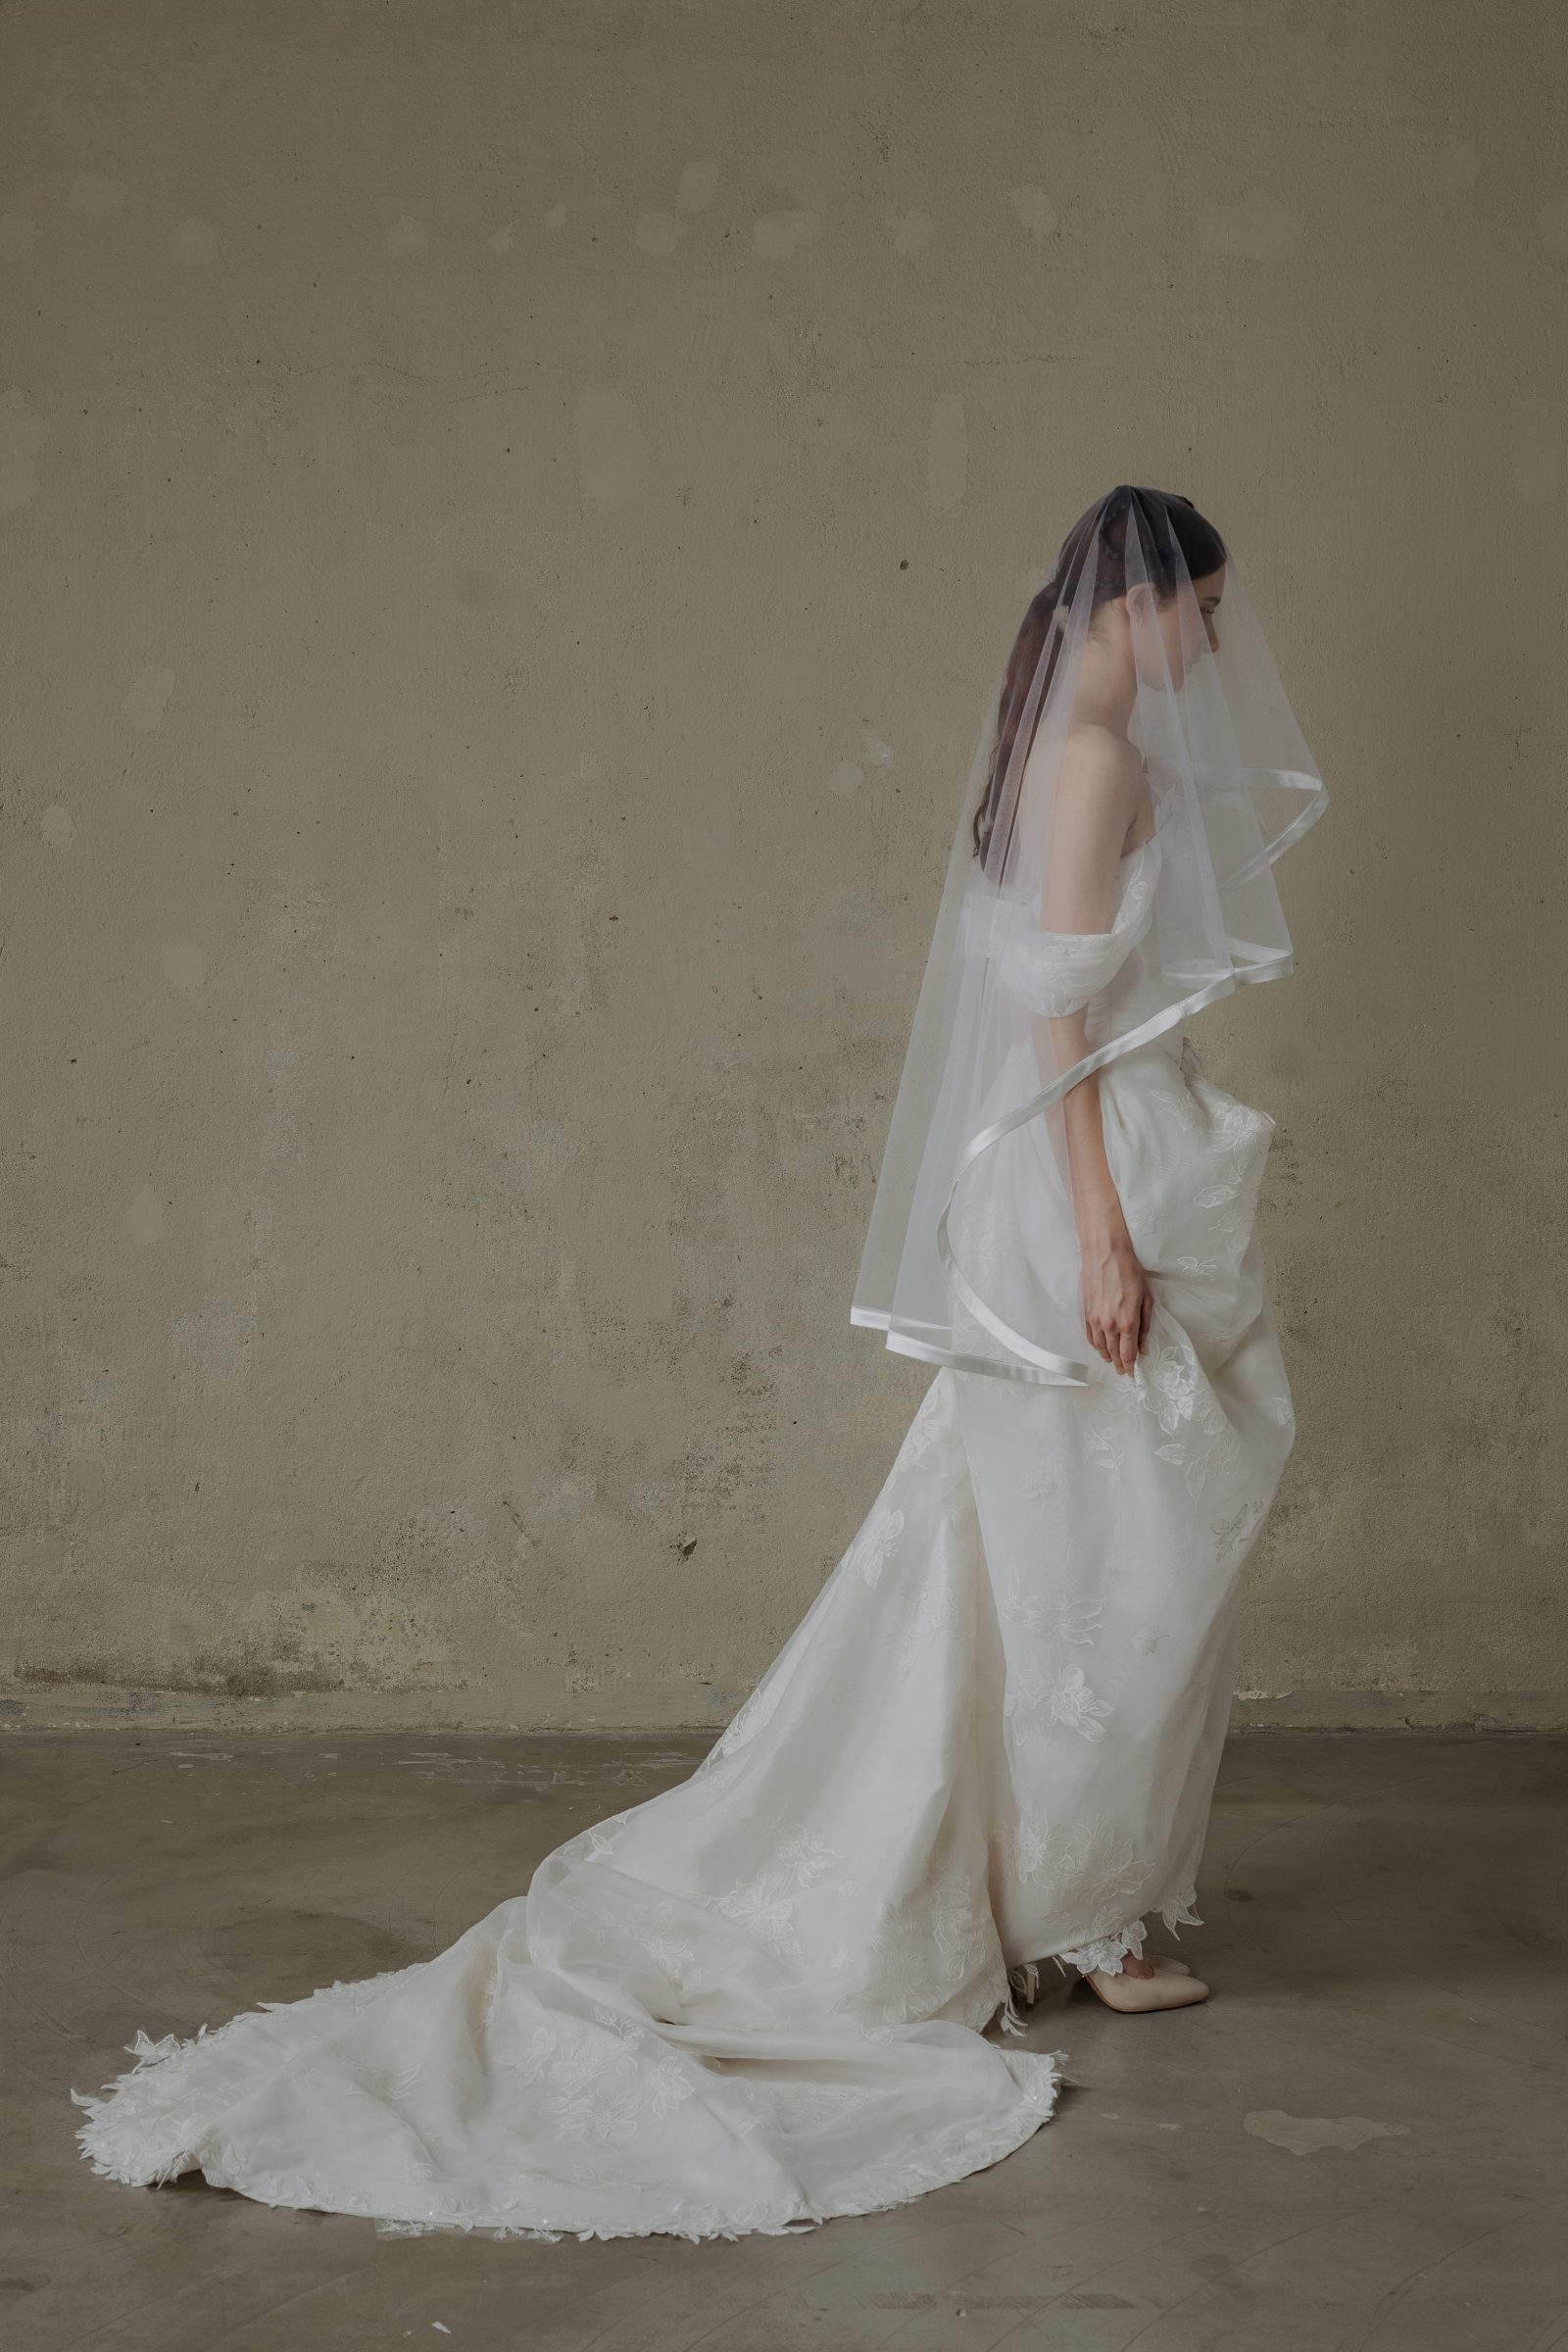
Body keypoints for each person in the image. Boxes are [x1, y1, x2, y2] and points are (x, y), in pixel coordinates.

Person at [73, 484, 1326, 2243]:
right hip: (1086, 1172)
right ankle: (1089, 1916)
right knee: (1099, 1552)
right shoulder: (1095, 757)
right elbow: (1051, 1014)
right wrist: (1104, 1231)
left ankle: (1076, 1899)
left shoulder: (1072, 744)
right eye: (1205, 607)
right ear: (1139, 604)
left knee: (1066, 1545)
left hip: (1094, 1160)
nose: (1216, 638)